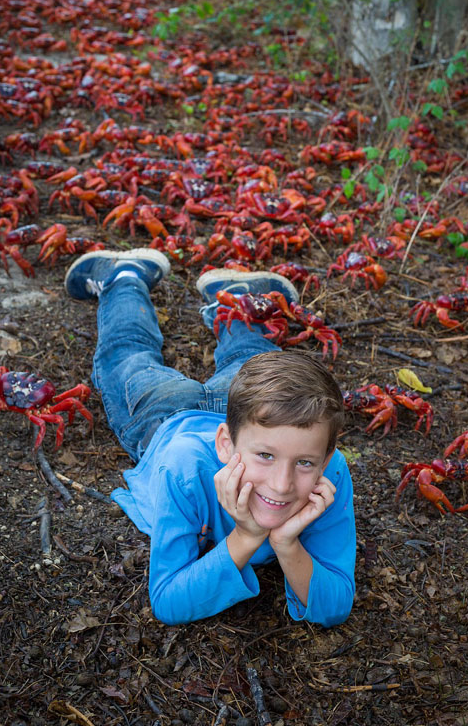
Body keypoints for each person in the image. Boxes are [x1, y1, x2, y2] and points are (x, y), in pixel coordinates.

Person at [65, 249, 356, 627]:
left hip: (251, 417)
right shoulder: (184, 470)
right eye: (266, 457)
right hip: (165, 417)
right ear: (225, 445)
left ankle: (234, 292)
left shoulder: (330, 471)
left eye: (304, 463)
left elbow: (336, 606)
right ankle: (125, 277)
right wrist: (248, 535)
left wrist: (286, 543)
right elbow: (167, 601)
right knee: (126, 356)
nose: (282, 485)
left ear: (327, 454)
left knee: (251, 359)